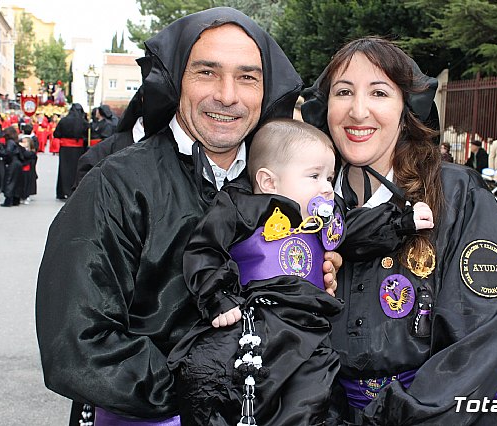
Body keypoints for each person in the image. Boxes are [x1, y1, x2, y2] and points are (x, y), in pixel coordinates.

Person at [36, 8, 342, 424]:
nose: (228, 95)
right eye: (207, 72)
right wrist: (204, 397)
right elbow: (78, 341)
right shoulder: (117, 185)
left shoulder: (284, 184)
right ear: (176, 79)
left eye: (247, 77)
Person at [303, 36, 497, 425]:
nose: (358, 111)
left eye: (379, 92)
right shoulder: (304, 206)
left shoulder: (457, 195)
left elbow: (478, 341)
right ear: (325, 108)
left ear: (407, 107)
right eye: (343, 92)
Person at [168, 118, 434, 425]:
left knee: (313, 397)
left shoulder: (326, 220)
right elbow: (205, 248)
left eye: (330, 177)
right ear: (269, 182)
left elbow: (357, 230)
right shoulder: (241, 207)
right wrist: (218, 298)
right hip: (255, 324)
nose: (326, 187)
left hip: (309, 330)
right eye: (314, 176)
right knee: (208, 375)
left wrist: (400, 221)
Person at [53, 103, 88, 199]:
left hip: (65, 149)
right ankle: (73, 190)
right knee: (75, 169)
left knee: (63, 169)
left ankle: (62, 191)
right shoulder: (84, 122)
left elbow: (56, 134)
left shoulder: (64, 121)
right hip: (79, 149)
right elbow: (86, 137)